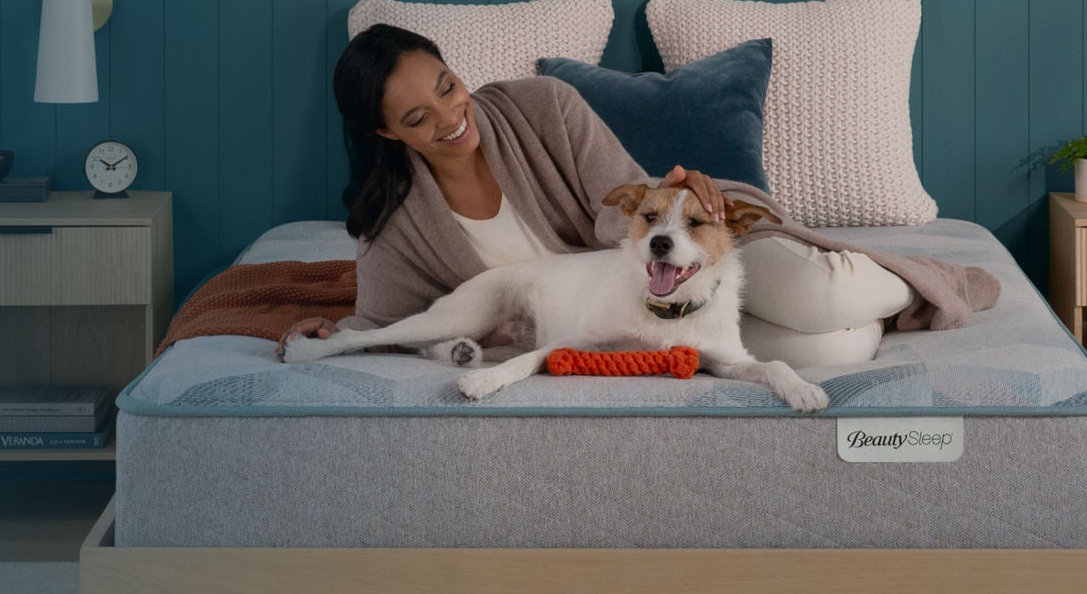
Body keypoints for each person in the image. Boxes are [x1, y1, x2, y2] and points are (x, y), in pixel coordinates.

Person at [278, 23, 938, 363]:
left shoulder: (545, 106)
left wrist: (673, 200)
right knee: (828, 349)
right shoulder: (392, 223)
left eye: (446, 86)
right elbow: (387, 320)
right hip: (629, 322)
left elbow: (620, 199)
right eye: (417, 118)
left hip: (683, 252)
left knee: (818, 296)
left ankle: (917, 285)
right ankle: (875, 316)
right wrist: (338, 332)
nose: (450, 117)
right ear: (385, 132)